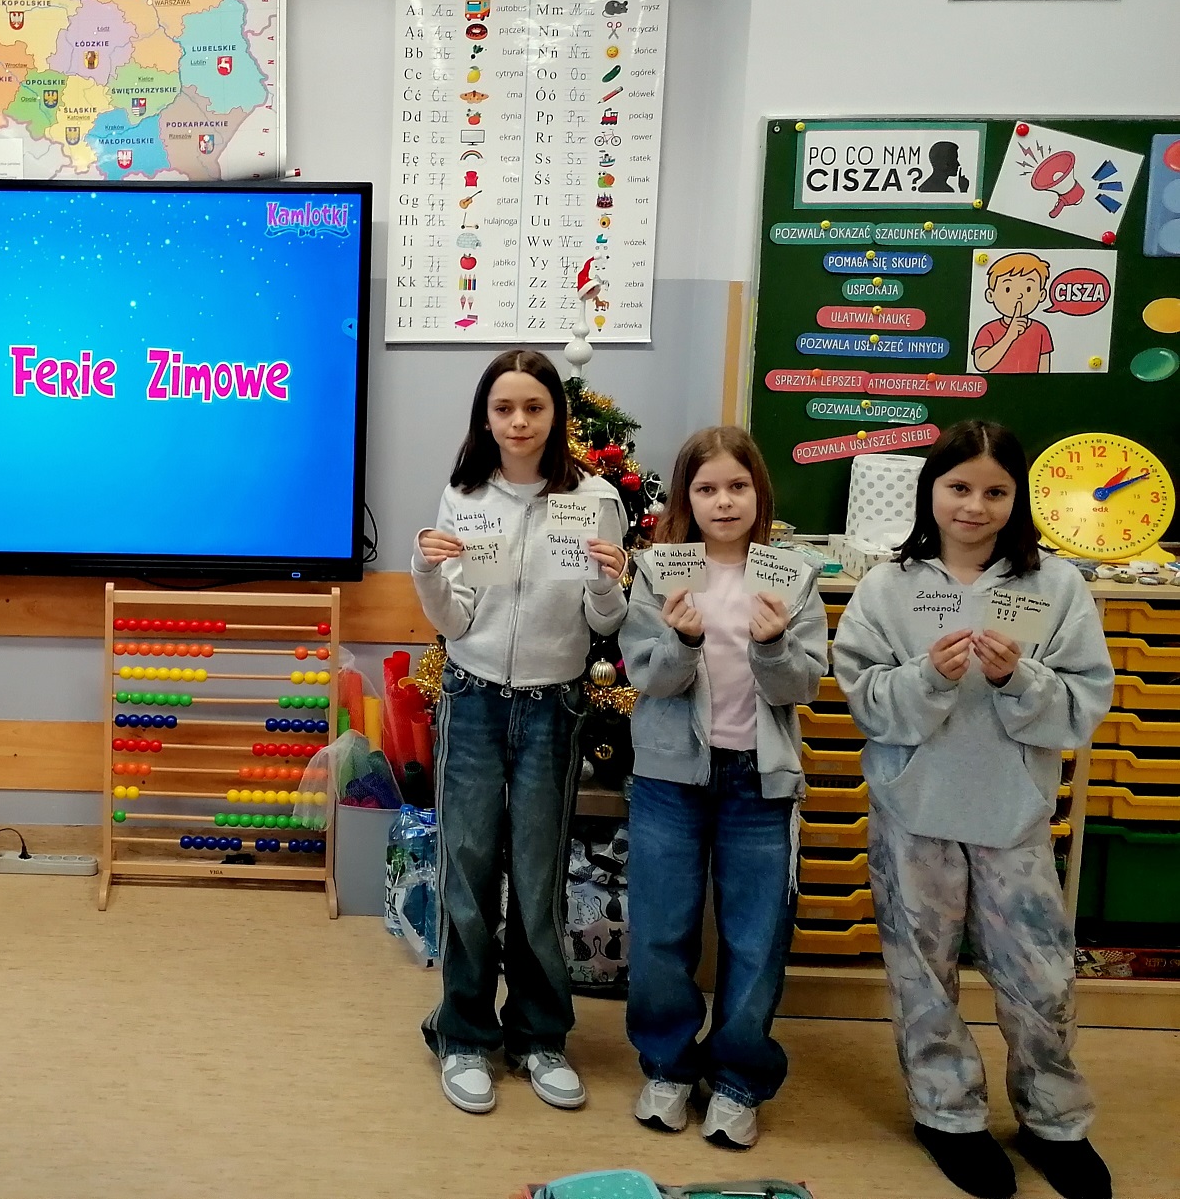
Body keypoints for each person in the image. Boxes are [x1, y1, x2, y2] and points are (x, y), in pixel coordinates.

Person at [833, 421, 1112, 1199]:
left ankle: (1053, 1119)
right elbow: (864, 699)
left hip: (1010, 813)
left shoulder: (1054, 586)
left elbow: (1082, 703)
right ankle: (946, 1113)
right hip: (913, 811)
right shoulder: (887, 588)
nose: (974, 505)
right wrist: (925, 676)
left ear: (1016, 499)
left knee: (1040, 976)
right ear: (930, 491)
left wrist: (1018, 679)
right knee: (921, 975)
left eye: (994, 491)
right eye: (958, 487)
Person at [411, 349, 627, 1115]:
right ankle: (464, 1034)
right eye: (503, 408)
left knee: (537, 877)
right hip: (472, 698)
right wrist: (426, 571)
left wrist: (607, 582)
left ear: (554, 415)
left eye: (533, 407)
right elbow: (455, 619)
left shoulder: (595, 498)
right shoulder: (464, 495)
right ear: (485, 416)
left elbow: (604, 620)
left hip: (552, 705)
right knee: (466, 868)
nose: (518, 422)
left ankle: (539, 1035)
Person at [619, 426, 826, 1149]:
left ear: (758, 492)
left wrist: (772, 644)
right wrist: (681, 640)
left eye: (737, 485)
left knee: (756, 937)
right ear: (687, 498)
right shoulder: (659, 571)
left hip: (759, 781)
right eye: (706, 488)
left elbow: (803, 684)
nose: (723, 501)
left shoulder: (791, 575)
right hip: (670, 777)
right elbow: (647, 677)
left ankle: (738, 1078)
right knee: (659, 931)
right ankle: (667, 1066)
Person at [972, 253, 1054, 374]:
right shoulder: (988, 330)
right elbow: (981, 364)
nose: (1019, 295)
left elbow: (1044, 369)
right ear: (990, 295)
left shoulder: (1041, 330)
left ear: (1041, 295)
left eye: (1028, 289)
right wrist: (1009, 336)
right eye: (1008, 289)